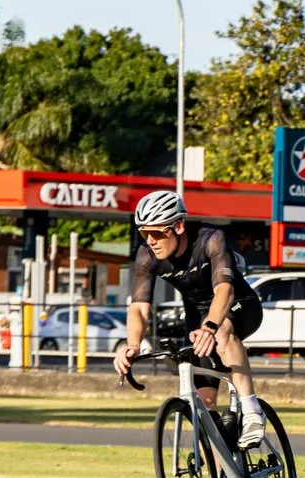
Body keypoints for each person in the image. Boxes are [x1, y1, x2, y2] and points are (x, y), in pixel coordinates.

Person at [110, 188, 267, 461]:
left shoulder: (210, 239)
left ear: (178, 226)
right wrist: (132, 344)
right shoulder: (147, 255)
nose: (151, 241)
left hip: (238, 305)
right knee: (205, 406)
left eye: (158, 233)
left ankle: (252, 410)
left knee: (222, 332)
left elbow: (224, 292)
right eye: (144, 233)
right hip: (197, 319)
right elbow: (138, 307)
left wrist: (210, 327)